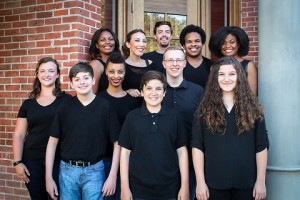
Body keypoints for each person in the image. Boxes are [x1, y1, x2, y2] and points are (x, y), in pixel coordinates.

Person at [191, 57, 269, 200]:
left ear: (239, 76)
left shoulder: (254, 109)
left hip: (247, 183)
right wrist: (200, 182)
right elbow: (197, 147)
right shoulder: (204, 110)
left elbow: (261, 146)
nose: (226, 78)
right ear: (215, 78)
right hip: (213, 183)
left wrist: (260, 181)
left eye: (232, 74)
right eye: (221, 74)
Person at [45, 62, 120, 200]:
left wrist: (112, 176)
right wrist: (48, 177)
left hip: (95, 171)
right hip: (67, 171)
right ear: (72, 84)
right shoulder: (64, 107)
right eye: (77, 79)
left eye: (86, 78)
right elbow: (52, 143)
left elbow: (117, 143)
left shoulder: (105, 107)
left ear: (93, 80)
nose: (82, 82)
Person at [119, 71, 189, 200]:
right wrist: (124, 187)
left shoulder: (174, 117)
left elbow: (181, 152)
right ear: (142, 92)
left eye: (158, 89)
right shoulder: (132, 117)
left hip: (170, 188)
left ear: (164, 93)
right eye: (149, 88)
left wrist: (185, 186)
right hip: (138, 189)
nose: (153, 93)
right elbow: (125, 152)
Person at [12, 57, 71, 200]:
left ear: (57, 74)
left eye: (51, 71)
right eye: (43, 71)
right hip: (32, 160)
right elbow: (19, 135)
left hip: (59, 160)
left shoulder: (67, 100)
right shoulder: (28, 104)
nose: (47, 74)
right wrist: (17, 162)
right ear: (37, 74)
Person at [162, 46, 204, 200]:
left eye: (179, 60)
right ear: (164, 63)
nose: (175, 64)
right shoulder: (154, 92)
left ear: (185, 63)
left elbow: (203, 127)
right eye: (170, 60)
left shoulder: (197, 91)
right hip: (162, 161)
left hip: (192, 162)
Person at [98, 52, 141, 200]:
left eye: (120, 71)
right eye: (111, 71)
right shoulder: (98, 99)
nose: (116, 76)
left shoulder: (133, 101)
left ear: (125, 72)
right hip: (103, 161)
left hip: (129, 161)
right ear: (106, 72)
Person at [208, 26, 258, 95]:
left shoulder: (249, 66)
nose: (227, 46)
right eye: (223, 43)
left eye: (232, 42)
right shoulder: (214, 67)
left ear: (238, 44)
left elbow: (253, 95)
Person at [122, 29, 155, 98]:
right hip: (128, 107)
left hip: (149, 106)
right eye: (137, 40)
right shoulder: (121, 65)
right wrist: (127, 92)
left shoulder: (151, 64)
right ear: (128, 44)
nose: (142, 44)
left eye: (144, 41)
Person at [179, 24, 214, 89]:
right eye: (189, 42)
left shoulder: (212, 66)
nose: (193, 44)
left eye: (197, 41)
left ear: (202, 43)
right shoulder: (178, 65)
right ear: (184, 45)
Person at [89, 28, 120, 93]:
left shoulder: (119, 62)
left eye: (111, 39)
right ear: (97, 45)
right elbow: (92, 94)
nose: (107, 42)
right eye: (102, 40)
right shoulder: (96, 64)